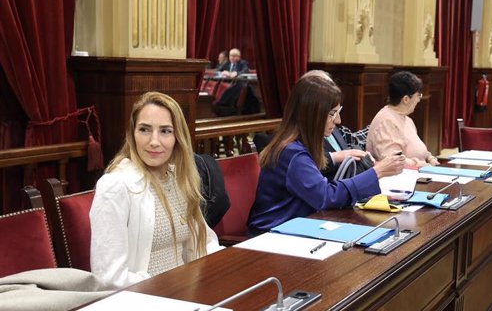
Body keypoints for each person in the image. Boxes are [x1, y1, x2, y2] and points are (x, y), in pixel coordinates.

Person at [90, 92, 222, 289]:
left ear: (178, 137)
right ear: (132, 134)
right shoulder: (115, 186)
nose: (154, 141)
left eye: (165, 131)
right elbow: (109, 278)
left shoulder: (179, 178)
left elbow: (205, 245)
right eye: (144, 129)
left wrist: (240, 261)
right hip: (144, 299)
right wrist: (172, 284)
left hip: (187, 292)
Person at [247, 71, 405, 235]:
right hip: (272, 237)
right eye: (332, 114)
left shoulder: (299, 144)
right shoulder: (291, 153)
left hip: (298, 226)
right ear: (312, 115)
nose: (338, 121)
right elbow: (326, 196)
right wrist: (378, 172)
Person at [366, 71, 440, 168]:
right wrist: (422, 165)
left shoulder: (407, 119)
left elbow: (419, 150)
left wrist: (430, 158)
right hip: (400, 178)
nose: (419, 100)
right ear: (406, 99)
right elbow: (394, 160)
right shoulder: (386, 122)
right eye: (418, 95)